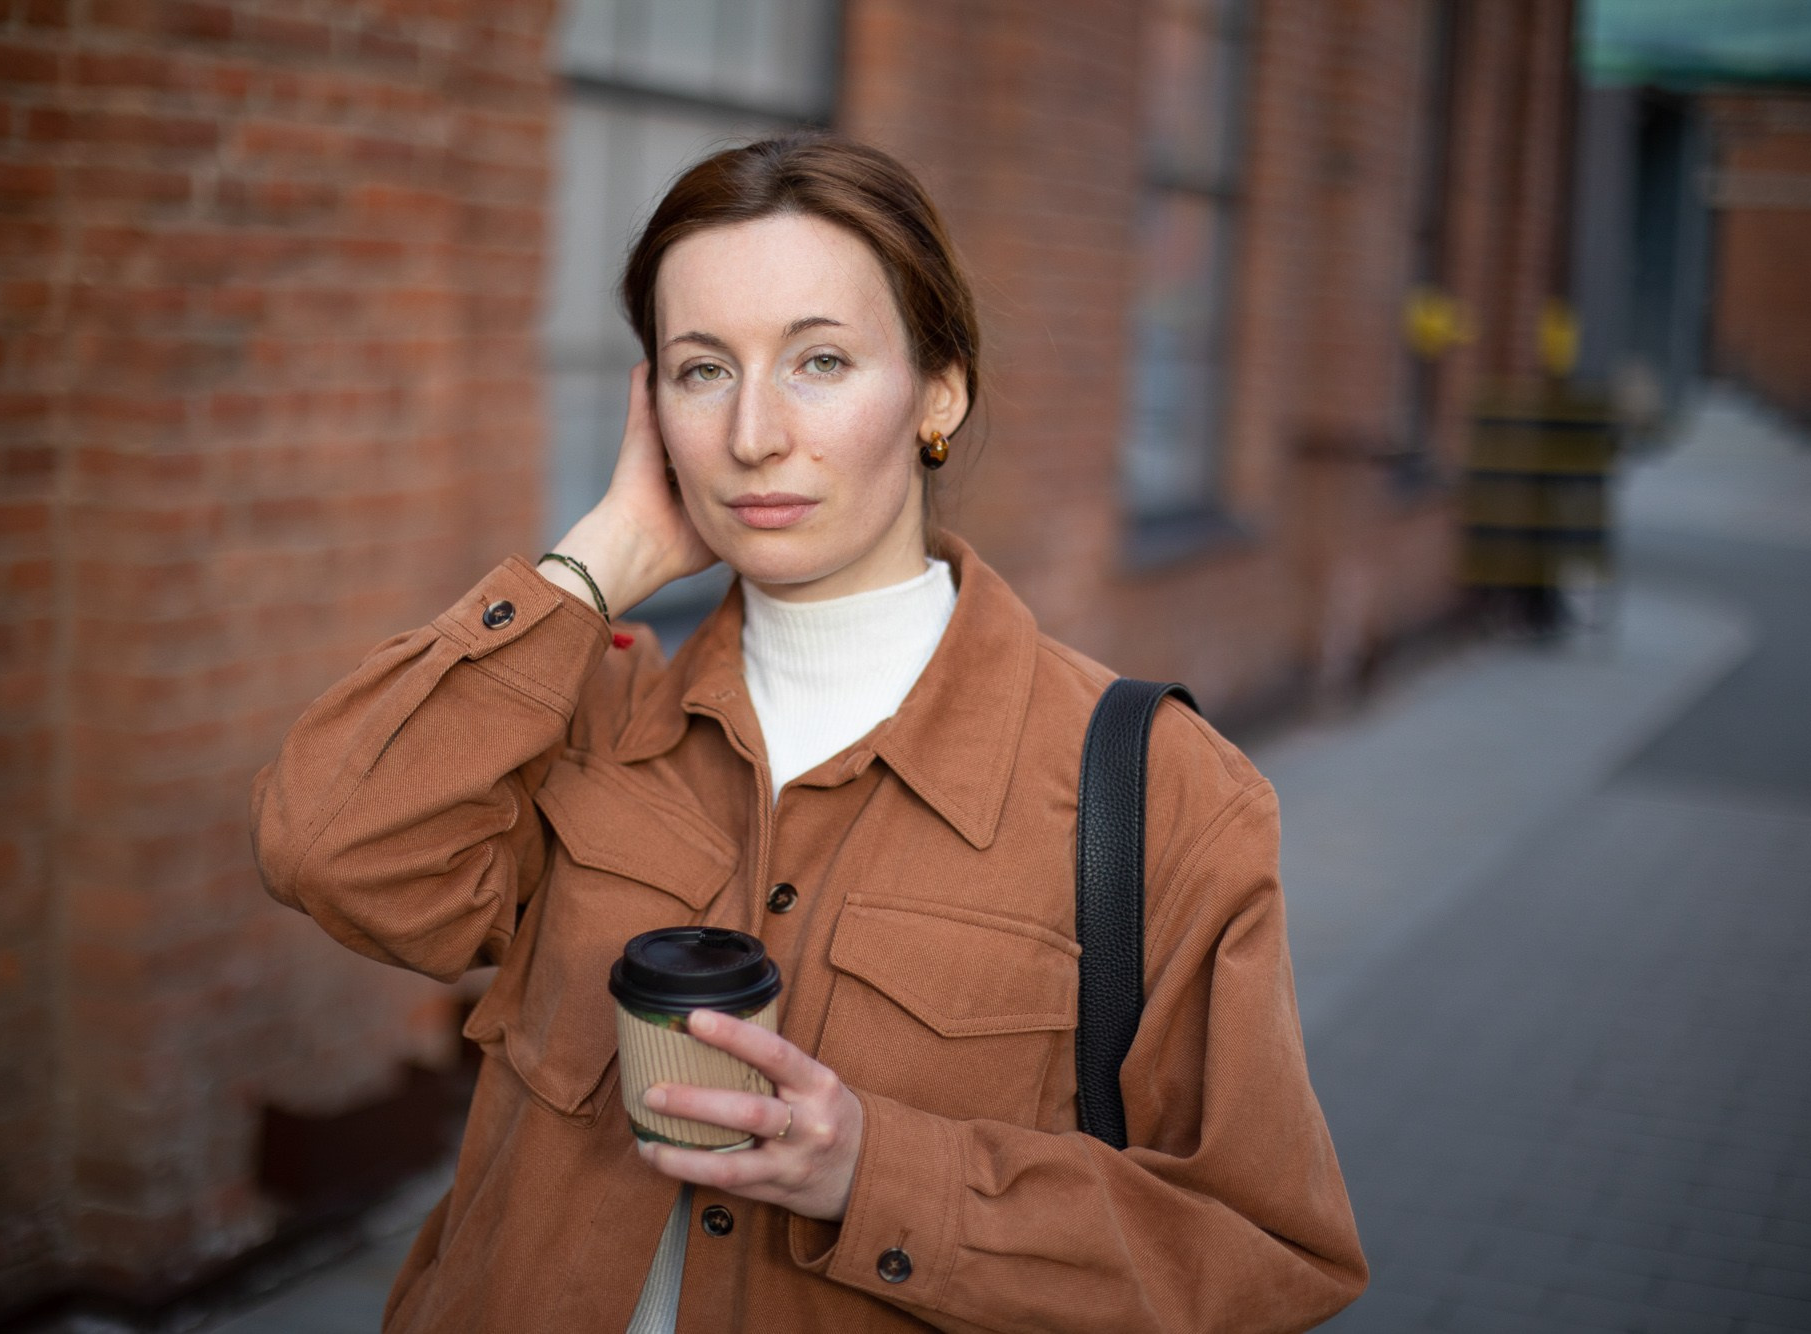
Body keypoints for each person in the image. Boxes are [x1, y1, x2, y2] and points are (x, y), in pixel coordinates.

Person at [251, 133, 1367, 1332]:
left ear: (939, 389)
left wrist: (873, 1177)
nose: (750, 435)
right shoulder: (586, 716)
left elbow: (1263, 1253)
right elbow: (326, 844)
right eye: (700, 370)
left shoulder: (1158, 793)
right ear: (651, 408)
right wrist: (599, 559)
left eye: (819, 360)